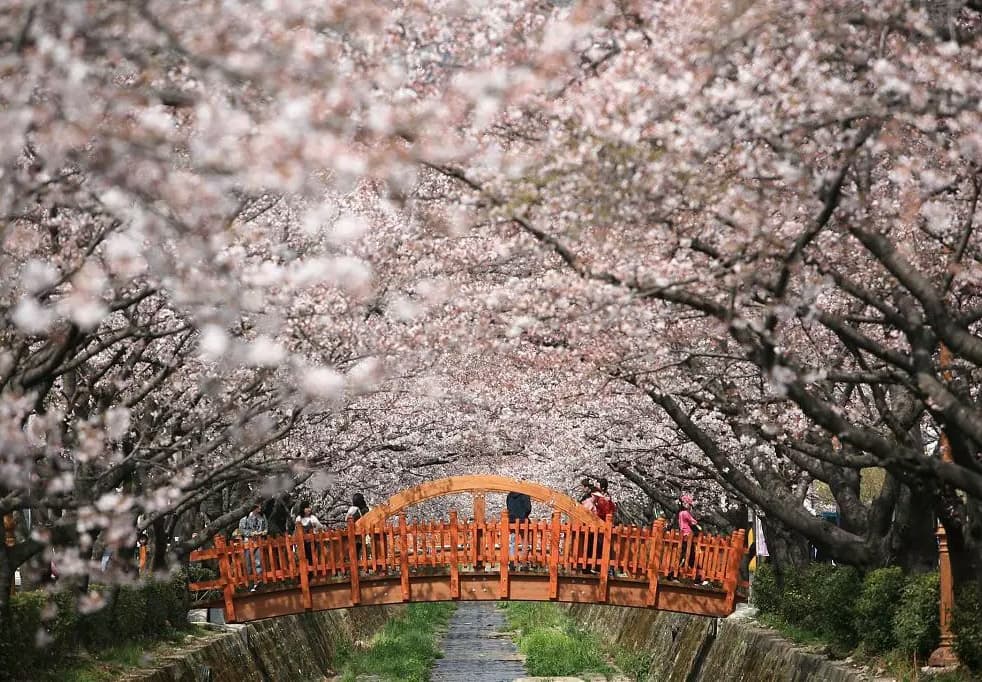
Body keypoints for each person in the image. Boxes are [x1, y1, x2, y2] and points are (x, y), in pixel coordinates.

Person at [239, 503, 268, 591]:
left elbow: (266, 528)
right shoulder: (245, 517)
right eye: (258, 506)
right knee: (248, 563)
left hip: (259, 541)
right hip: (248, 542)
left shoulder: (262, 516)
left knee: (258, 561)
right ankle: (250, 584)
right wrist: (250, 533)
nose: (260, 507)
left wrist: (263, 532)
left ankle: (258, 582)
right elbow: (242, 529)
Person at [506, 491, 532, 570]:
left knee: (512, 542)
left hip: (512, 520)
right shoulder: (525, 495)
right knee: (525, 542)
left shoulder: (509, 495)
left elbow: (508, 507)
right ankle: (524, 562)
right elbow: (528, 508)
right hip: (523, 521)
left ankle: (512, 561)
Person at [677, 494, 702, 575]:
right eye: (688, 504)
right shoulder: (685, 513)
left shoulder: (680, 513)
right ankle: (675, 571)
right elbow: (693, 521)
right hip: (687, 534)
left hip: (683, 534)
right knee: (688, 554)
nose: (689, 506)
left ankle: (697, 573)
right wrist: (698, 525)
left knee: (689, 554)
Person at [345, 493, 370, 564]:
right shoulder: (365, 509)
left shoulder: (353, 510)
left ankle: (355, 564)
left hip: (354, 533)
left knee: (355, 551)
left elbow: (347, 519)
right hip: (360, 533)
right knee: (357, 550)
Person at [296, 503, 322, 568]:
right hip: (303, 543)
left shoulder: (312, 517)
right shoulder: (299, 518)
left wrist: (315, 525)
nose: (309, 509)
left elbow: (320, 526)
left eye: (309, 508)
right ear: (303, 509)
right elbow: (296, 529)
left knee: (313, 556)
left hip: (312, 541)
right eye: (307, 508)